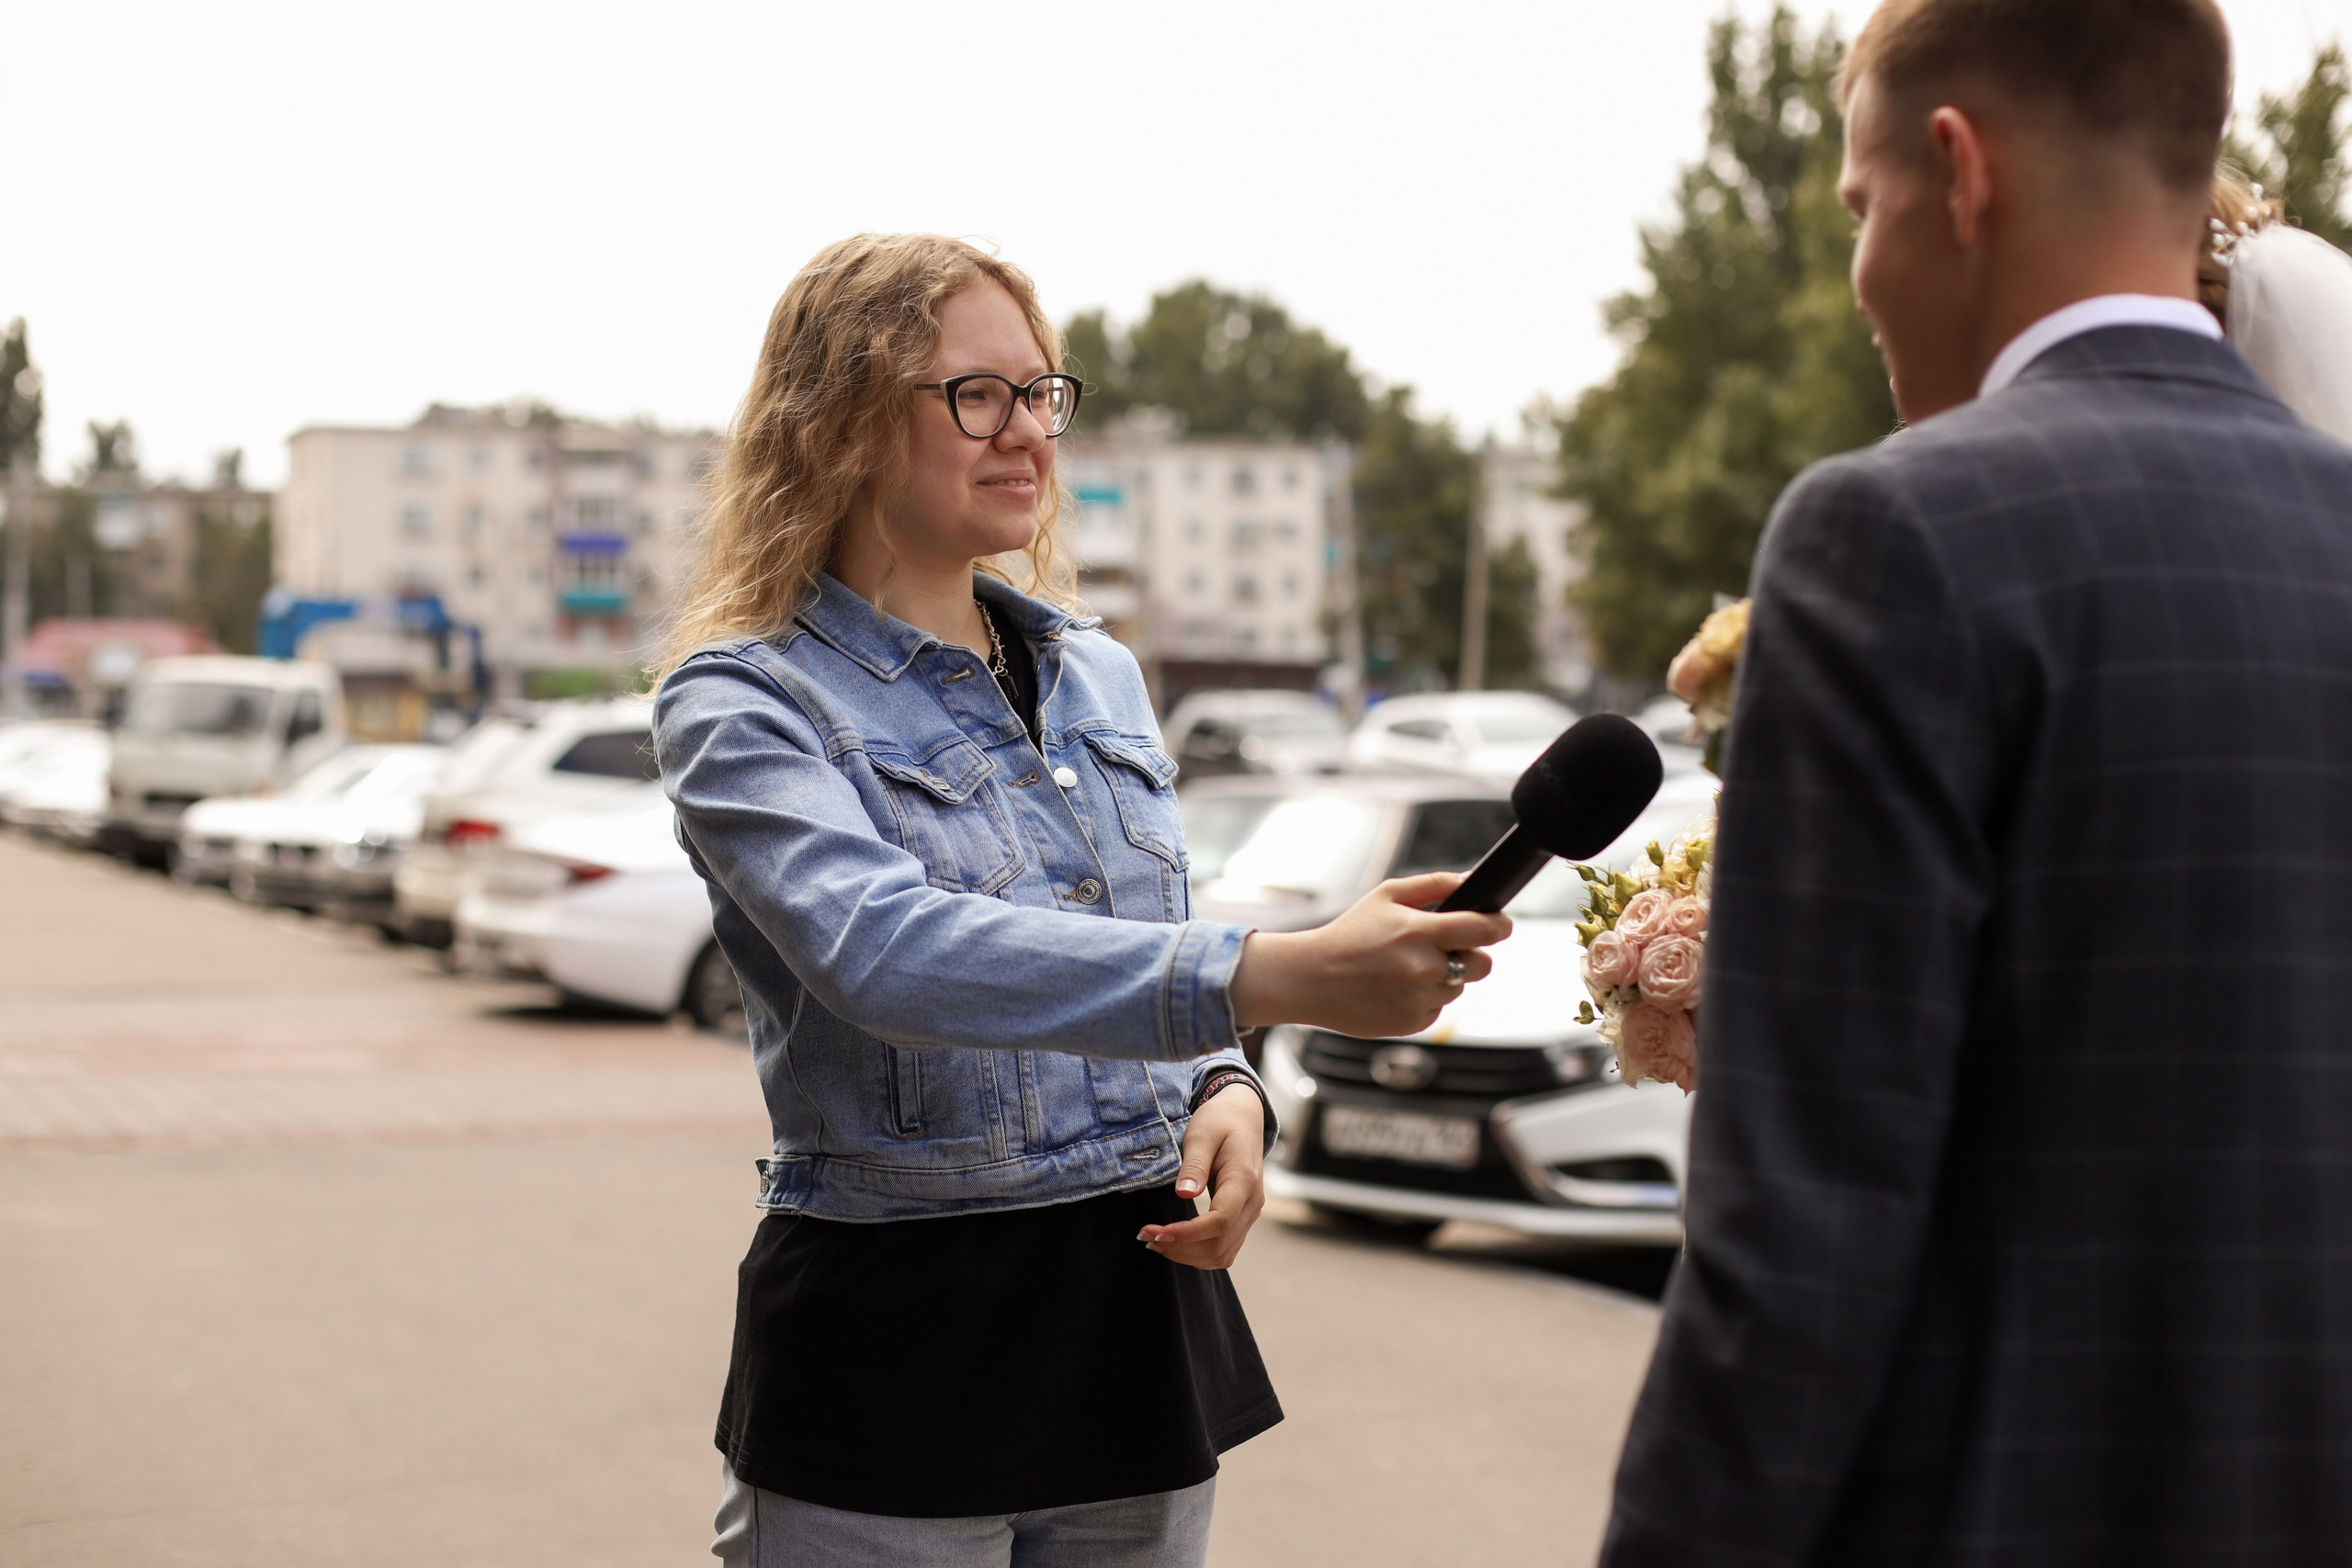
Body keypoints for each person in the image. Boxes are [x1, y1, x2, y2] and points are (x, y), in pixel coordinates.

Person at [1601, 2, 2352, 1563]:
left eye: (1865, 209)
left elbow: (1798, 1240)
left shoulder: (1896, 537)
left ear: (1959, 171)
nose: (1866, 272)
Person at [652, 233, 1511, 1568]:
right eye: (975, 396)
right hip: (897, 1335)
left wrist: (1229, 1088)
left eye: (1041, 393)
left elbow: (1140, 927)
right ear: (837, 422)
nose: (1027, 436)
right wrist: (1264, 979)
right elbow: (887, 951)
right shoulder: (743, 697)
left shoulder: (1097, 673)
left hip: (1133, 1312)